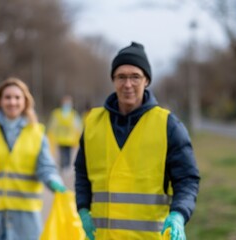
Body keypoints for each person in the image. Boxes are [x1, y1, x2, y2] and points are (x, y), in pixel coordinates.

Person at [74, 42, 200, 240]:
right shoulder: (93, 124)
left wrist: (179, 213)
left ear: (146, 80)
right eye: (121, 77)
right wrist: (82, 208)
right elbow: (82, 172)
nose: (128, 84)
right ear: (113, 80)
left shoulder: (168, 125)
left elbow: (187, 179)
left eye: (135, 77)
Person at [0, 77, 66, 240]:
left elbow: (46, 167)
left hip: (26, 217)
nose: (12, 102)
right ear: (0, 101)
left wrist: (54, 180)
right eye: (7, 97)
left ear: (25, 101)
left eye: (17, 97)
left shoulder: (37, 132)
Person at [47, 95, 82, 171]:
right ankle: (63, 166)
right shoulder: (57, 113)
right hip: (60, 138)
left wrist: (79, 137)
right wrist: (50, 135)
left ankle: (66, 166)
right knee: (62, 153)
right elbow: (52, 125)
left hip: (70, 139)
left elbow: (78, 126)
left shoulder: (73, 114)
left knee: (67, 153)